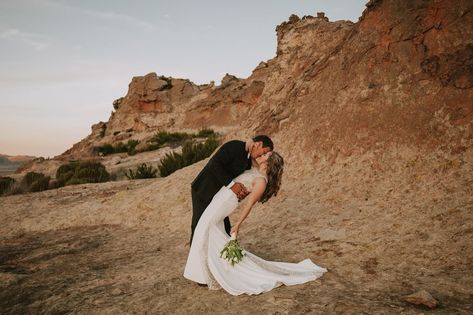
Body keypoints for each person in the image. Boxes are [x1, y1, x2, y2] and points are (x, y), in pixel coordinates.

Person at [184, 151, 327, 295]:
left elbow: (249, 205)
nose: (262, 154)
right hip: (219, 200)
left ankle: (203, 276)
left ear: (269, 163)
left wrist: (238, 224)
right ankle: (214, 269)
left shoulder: (261, 181)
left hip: (225, 203)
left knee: (202, 231)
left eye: (265, 155)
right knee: (210, 233)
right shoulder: (254, 171)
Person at [190, 135, 274, 244]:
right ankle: (195, 255)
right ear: (259, 144)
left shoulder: (249, 161)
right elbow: (214, 165)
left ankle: (224, 255)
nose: (261, 155)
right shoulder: (235, 146)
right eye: (263, 152)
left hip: (219, 197)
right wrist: (232, 185)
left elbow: (246, 178)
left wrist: (243, 192)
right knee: (199, 225)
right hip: (204, 190)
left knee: (223, 228)